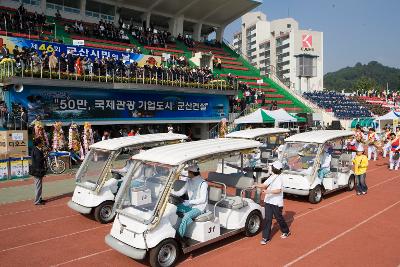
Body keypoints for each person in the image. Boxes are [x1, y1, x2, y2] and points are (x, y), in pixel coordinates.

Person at [253, 161, 290, 244]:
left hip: (276, 202)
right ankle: (265, 237)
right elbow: (264, 185)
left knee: (279, 218)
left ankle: (286, 231)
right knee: (267, 219)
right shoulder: (272, 176)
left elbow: (278, 190)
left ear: (274, 168)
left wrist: (267, 192)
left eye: (272, 166)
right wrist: (255, 185)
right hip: (269, 201)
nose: (270, 168)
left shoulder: (280, 178)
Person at [173, 164, 208, 238]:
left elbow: (203, 199)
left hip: (199, 208)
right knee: (172, 210)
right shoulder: (189, 181)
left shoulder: (203, 183)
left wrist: (189, 202)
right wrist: (170, 192)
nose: (187, 173)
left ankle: (179, 237)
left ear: (192, 173)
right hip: (189, 205)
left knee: (186, 216)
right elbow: (181, 192)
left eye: (188, 172)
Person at [31, 138, 47, 205]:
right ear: (38, 143)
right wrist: (45, 157)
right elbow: (38, 160)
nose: (42, 144)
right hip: (37, 170)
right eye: (41, 142)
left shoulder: (35, 149)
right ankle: (37, 201)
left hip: (37, 170)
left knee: (39, 185)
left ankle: (39, 198)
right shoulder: (37, 150)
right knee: (38, 186)